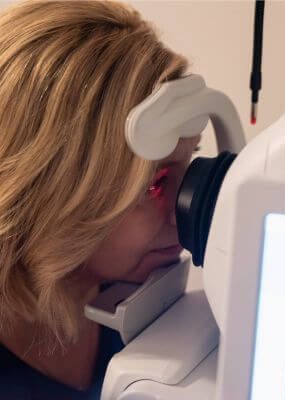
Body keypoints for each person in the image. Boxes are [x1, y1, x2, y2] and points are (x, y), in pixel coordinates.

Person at [0, 0, 200, 398]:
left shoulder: (138, 312)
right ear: (51, 192)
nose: (184, 212)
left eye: (189, 165)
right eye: (154, 183)